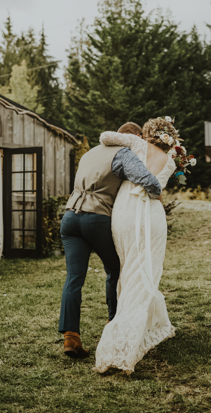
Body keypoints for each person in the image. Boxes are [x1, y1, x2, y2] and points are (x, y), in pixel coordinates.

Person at [59, 122, 162, 358]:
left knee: (74, 278)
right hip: (96, 219)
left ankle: (70, 336)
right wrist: (159, 190)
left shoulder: (90, 153)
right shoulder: (124, 153)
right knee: (117, 270)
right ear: (133, 137)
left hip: (70, 218)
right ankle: (114, 324)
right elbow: (147, 180)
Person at [94, 118, 179, 373]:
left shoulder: (136, 144)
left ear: (148, 133)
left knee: (128, 270)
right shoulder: (172, 161)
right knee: (144, 274)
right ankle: (121, 344)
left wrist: (131, 140)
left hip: (124, 213)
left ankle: (137, 330)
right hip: (151, 216)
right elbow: (157, 190)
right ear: (170, 138)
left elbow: (104, 136)